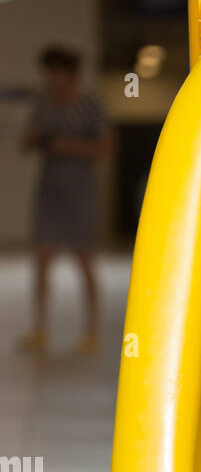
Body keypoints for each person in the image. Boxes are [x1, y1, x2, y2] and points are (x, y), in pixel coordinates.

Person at [18, 46, 112, 355]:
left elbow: (104, 148)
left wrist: (62, 143)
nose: (52, 79)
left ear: (69, 73)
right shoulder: (45, 104)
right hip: (50, 191)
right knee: (41, 262)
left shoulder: (91, 104)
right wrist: (39, 139)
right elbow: (27, 140)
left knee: (85, 262)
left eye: (56, 73)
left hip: (80, 192)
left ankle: (91, 331)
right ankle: (39, 328)